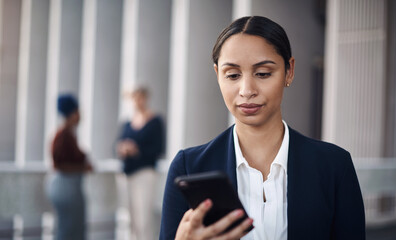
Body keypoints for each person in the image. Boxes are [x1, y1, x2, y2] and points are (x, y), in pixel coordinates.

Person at [160, 16, 365, 240]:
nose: (247, 90)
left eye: (263, 74)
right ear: (218, 75)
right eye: (233, 75)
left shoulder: (334, 166)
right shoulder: (189, 168)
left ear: (289, 71)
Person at [116, 86, 164, 240]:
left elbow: (159, 148)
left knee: (144, 218)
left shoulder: (155, 121)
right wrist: (123, 149)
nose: (137, 101)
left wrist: (137, 150)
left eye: (140, 97)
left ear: (146, 98)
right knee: (131, 219)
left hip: (145, 173)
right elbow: (116, 144)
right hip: (127, 174)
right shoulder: (127, 123)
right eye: (134, 98)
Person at [46, 94, 93, 240]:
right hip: (66, 188)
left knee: (72, 228)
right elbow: (60, 165)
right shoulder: (62, 136)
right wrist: (83, 168)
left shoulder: (69, 135)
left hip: (69, 187)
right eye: (78, 112)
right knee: (68, 229)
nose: (80, 116)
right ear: (72, 114)